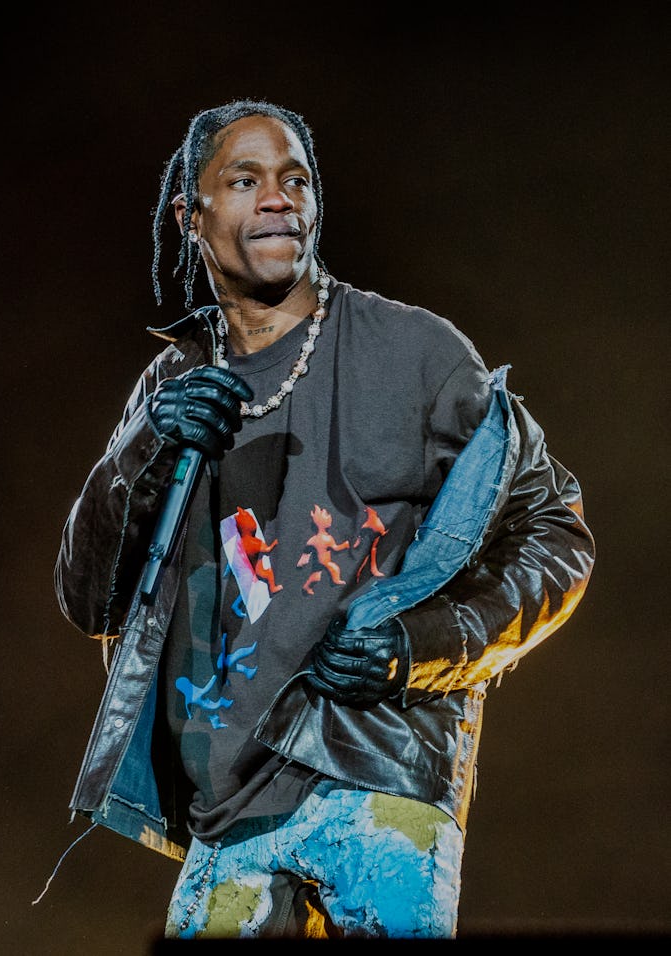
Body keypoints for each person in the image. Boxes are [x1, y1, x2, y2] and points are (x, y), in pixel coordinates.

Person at [53, 99, 595, 939]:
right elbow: (87, 599)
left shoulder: (415, 353)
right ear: (191, 217)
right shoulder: (170, 388)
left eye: (295, 179)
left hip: (379, 781)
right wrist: (144, 451)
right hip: (226, 812)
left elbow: (555, 532)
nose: (278, 199)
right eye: (245, 180)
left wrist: (427, 647)